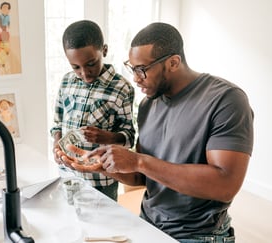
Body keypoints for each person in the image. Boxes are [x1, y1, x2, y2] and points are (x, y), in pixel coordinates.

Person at [59, 22, 254, 242]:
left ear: (173, 63)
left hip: (198, 235)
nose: (135, 78)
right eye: (132, 69)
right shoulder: (147, 105)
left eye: (141, 69)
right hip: (147, 223)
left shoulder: (226, 100)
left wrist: (139, 160)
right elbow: (143, 177)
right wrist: (103, 166)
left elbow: (225, 186)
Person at [50, 20, 135, 201]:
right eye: (76, 67)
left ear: (103, 50)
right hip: (67, 175)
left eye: (91, 64)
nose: (84, 73)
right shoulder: (66, 82)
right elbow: (57, 123)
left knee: (103, 228)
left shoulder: (122, 88)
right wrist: (56, 144)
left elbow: (129, 136)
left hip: (101, 181)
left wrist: (107, 137)